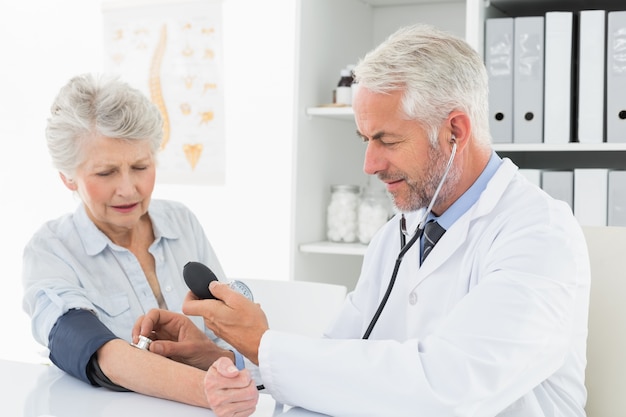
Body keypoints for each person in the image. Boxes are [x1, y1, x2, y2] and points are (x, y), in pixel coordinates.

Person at [135, 24, 590, 416]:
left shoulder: (539, 235)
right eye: (364, 139)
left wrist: (264, 344)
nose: (369, 165)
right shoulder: (400, 234)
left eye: (387, 140)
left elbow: (450, 391)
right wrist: (225, 355)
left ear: (455, 131)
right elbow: (342, 358)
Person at [21, 74, 259, 416]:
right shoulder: (50, 250)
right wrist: (207, 390)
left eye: (140, 166)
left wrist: (219, 363)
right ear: (67, 177)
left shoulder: (182, 222)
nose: (129, 189)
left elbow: (226, 343)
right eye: (105, 173)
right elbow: (92, 348)